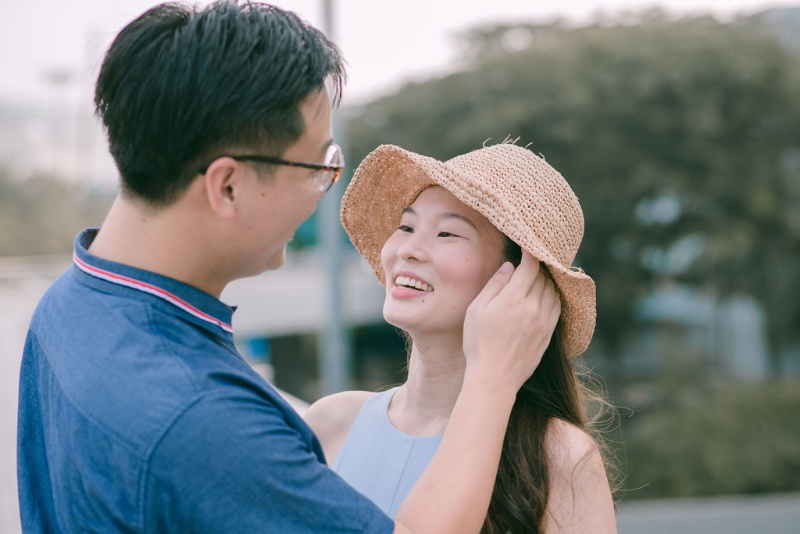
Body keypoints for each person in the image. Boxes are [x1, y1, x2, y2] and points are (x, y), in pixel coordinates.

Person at [16, 2, 562, 532]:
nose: (321, 193)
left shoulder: (69, 304)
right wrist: (491, 378)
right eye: (317, 166)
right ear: (227, 185)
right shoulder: (203, 420)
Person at [305, 142, 618, 533]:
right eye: (406, 226)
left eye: (447, 233)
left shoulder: (558, 456)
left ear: (520, 283)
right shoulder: (330, 423)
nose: (409, 250)